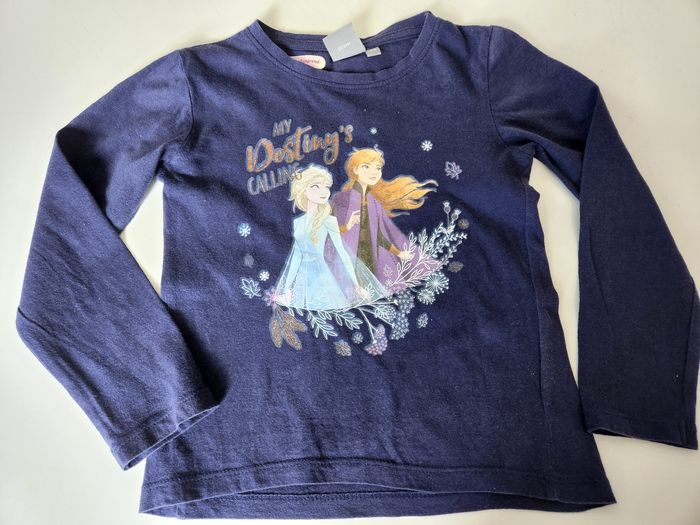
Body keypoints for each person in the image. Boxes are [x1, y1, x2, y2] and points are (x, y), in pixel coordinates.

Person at [272, 163, 389, 311]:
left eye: (326, 187)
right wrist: (286, 289)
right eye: (316, 186)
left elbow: (342, 252)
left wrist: (357, 285)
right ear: (304, 191)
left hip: (322, 279)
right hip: (302, 282)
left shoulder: (328, 220)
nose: (324, 191)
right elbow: (296, 257)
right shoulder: (298, 222)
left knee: (327, 313)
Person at [330, 146, 441, 290]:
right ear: (355, 169)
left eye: (377, 168)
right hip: (348, 261)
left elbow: (379, 236)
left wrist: (399, 253)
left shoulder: (373, 202)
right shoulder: (342, 199)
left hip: (372, 260)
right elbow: (331, 232)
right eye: (366, 167)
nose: (374, 172)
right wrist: (348, 227)